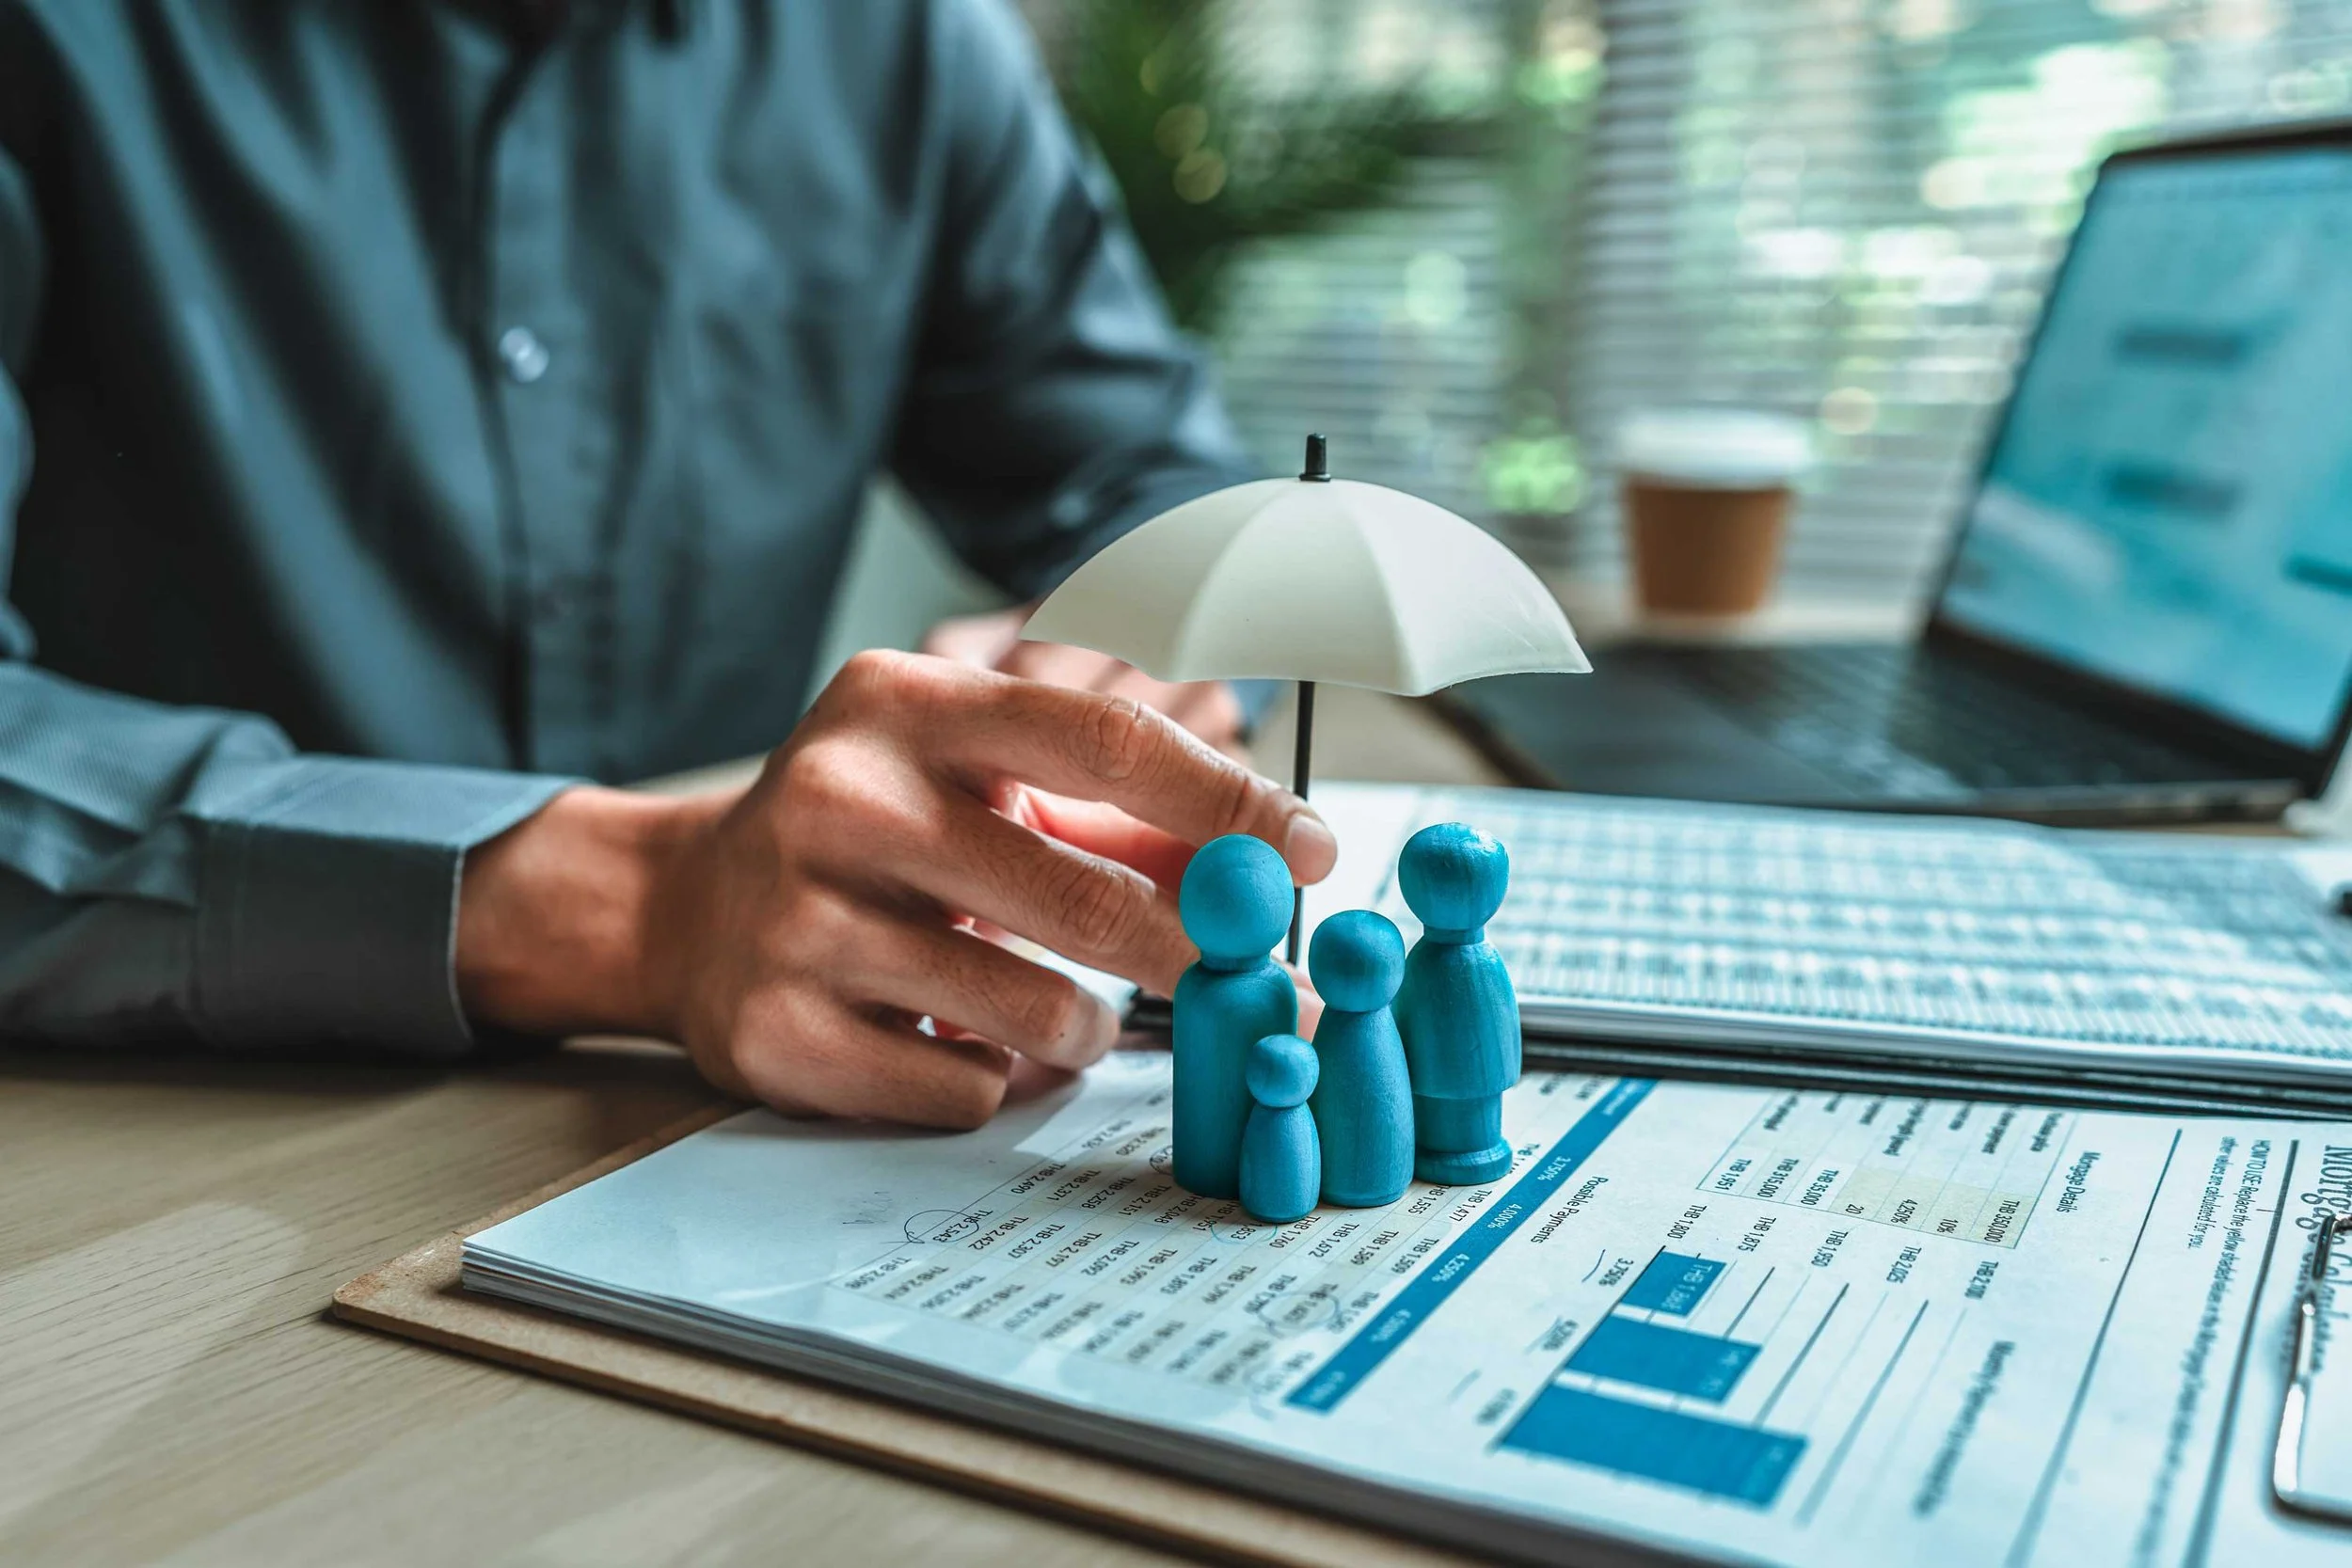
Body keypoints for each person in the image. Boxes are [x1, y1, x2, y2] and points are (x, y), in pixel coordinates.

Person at [0, 0, 1337, 1127]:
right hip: (136, 1142)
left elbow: (1154, 481)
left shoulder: (907, 43)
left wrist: (1114, 664)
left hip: (734, 1128)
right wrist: (636, 906)